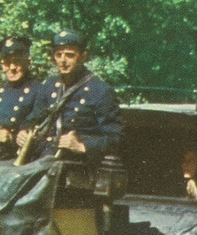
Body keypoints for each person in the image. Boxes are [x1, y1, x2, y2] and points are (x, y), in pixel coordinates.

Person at [18, 28, 122, 162]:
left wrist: (82, 146)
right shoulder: (49, 86)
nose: (63, 60)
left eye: (70, 55)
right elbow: (33, 118)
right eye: (58, 54)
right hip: (41, 157)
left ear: (83, 56)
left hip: (74, 164)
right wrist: (24, 131)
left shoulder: (100, 91)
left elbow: (115, 138)